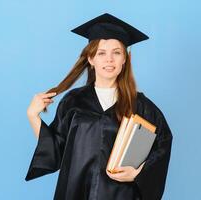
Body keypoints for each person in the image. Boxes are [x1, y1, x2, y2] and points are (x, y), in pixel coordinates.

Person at [25, 13, 173, 200]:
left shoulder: (140, 106)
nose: (109, 59)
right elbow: (55, 152)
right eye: (101, 53)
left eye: (116, 52)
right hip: (76, 193)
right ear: (91, 59)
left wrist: (138, 173)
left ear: (125, 59)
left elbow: (163, 143)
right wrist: (33, 116)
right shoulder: (73, 102)